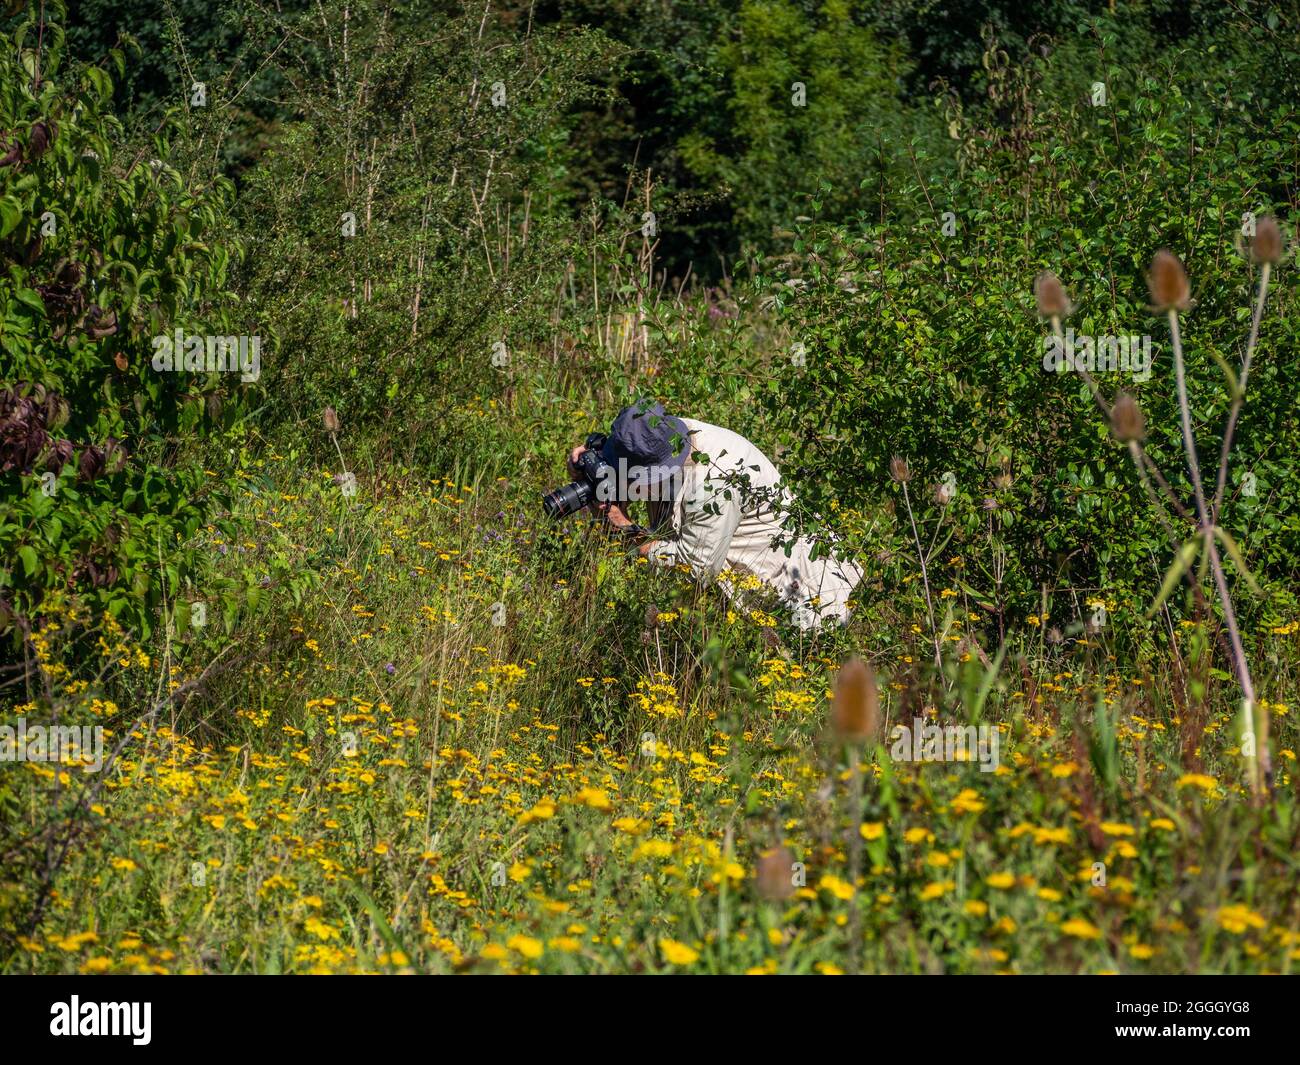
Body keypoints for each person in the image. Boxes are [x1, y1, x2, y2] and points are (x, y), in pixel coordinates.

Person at [567, 400, 862, 630]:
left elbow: (696, 570)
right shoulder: (663, 437)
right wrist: (592, 476)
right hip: (742, 592)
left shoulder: (712, 485)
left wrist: (627, 530)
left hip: (806, 598)